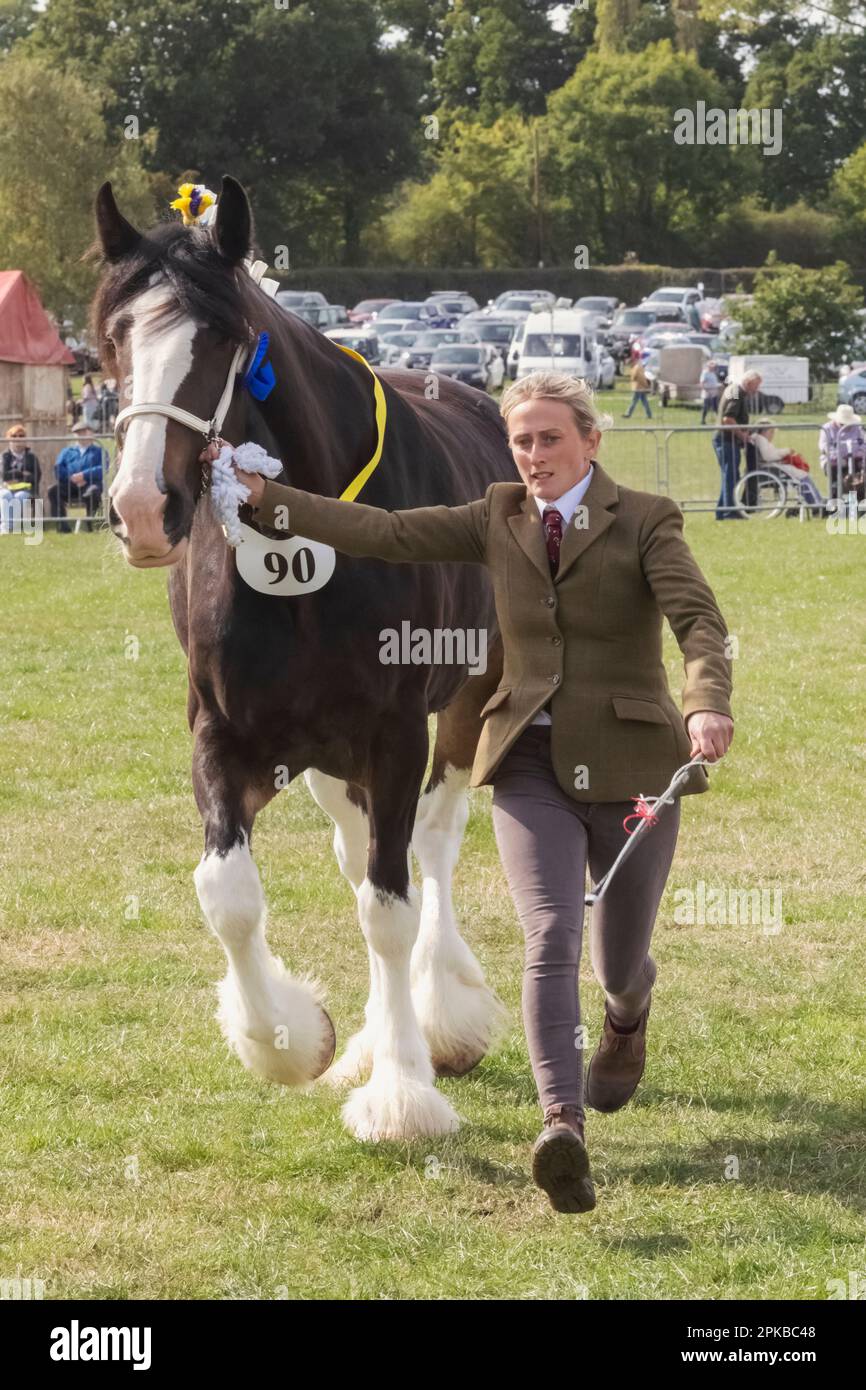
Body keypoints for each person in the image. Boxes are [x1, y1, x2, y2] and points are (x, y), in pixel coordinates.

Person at [205, 370, 734, 1215]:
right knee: (548, 934)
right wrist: (275, 501)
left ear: (591, 440)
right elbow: (382, 530)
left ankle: (627, 1017)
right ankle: (561, 1125)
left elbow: (700, 622)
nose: (533, 455)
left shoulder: (647, 520)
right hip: (527, 763)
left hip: (635, 762)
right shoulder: (497, 516)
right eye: (522, 440)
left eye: (550, 438)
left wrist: (706, 700)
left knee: (617, 959)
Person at [713, 369, 762, 519]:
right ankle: (730, 512)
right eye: (756, 385)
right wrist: (743, 435)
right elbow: (728, 418)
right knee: (731, 476)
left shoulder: (734, 390)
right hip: (726, 440)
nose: (757, 389)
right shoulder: (736, 392)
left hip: (726, 440)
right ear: (748, 382)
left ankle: (722, 511)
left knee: (730, 475)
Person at [750, 420, 825, 514]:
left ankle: (816, 502)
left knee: (802, 477)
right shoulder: (761, 439)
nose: (772, 435)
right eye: (771, 432)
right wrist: (785, 451)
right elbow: (769, 456)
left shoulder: (759, 439)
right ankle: (816, 504)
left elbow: (769, 455)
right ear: (764, 431)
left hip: (772, 467)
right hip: (772, 469)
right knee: (803, 477)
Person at [49, 422, 107, 531]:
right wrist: (71, 477)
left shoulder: (100, 451)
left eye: (84, 432)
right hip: (70, 485)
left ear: (92, 433)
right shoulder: (66, 451)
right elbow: (58, 468)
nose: (81, 435)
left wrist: (84, 476)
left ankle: (92, 526)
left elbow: (103, 468)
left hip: (90, 484)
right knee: (53, 491)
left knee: (93, 492)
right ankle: (62, 527)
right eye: (78, 433)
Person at [818, 404, 866, 504]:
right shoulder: (827, 428)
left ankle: (858, 504)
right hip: (833, 461)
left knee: (859, 479)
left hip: (855, 459)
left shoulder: (857, 428)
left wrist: (859, 453)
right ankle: (835, 504)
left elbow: (863, 443)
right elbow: (824, 446)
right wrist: (837, 456)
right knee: (834, 476)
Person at [0, 424, 40, 534]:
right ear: (9, 439)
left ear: (25, 439)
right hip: (6, 488)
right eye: (14, 436)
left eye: (21, 436)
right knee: (5, 495)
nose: (18, 439)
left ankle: (15, 528)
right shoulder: (5, 456)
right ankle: (6, 528)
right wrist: (22, 474)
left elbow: (36, 477)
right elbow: (4, 475)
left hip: (25, 490)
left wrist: (14, 476)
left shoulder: (31, 457)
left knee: (19, 496)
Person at [700, 360, 721, 425]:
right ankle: (703, 420)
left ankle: (719, 421)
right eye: (713, 366)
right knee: (706, 407)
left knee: (716, 407)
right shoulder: (705, 373)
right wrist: (706, 390)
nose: (714, 368)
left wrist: (719, 385)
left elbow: (714, 383)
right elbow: (702, 383)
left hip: (714, 393)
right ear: (709, 366)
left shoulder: (713, 373)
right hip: (707, 394)